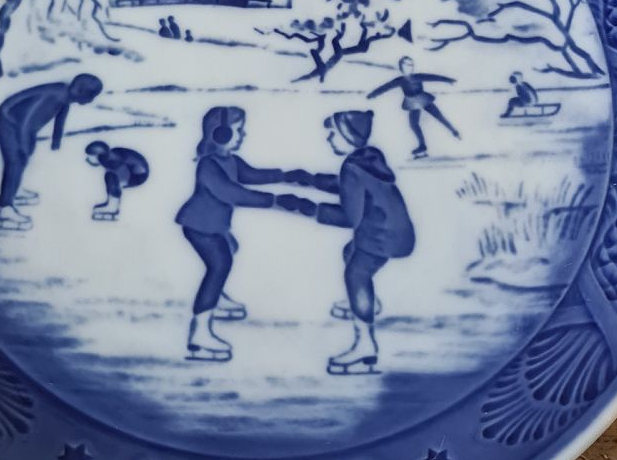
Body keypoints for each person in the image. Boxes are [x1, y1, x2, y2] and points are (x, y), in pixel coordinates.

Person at [175, 106, 313, 363]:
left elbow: (252, 175)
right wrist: (274, 201)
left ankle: (216, 297)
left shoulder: (230, 160)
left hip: (214, 225)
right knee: (220, 265)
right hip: (199, 225)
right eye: (239, 130)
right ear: (221, 133)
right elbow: (233, 193)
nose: (244, 134)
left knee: (229, 250)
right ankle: (199, 333)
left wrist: (286, 176)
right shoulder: (208, 165)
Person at [287, 109, 415, 375]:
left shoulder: (352, 168)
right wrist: (310, 180)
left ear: (348, 136)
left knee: (356, 273)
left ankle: (365, 345)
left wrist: (308, 208)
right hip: (396, 231)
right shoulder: (368, 159)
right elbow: (348, 188)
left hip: (380, 236)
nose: (329, 139)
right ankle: (365, 301)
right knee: (351, 252)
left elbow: (349, 217)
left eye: (333, 133)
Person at [0, 73, 103, 231]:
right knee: (15, 161)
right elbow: (26, 120)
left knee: (22, 158)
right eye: (91, 96)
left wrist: (56, 140)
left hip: (22, 124)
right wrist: (24, 144)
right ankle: (5, 209)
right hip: (9, 120)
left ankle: (14, 190)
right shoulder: (56, 96)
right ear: (80, 91)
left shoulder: (66, 95)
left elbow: (61, 115)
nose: (91, 100)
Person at [370, 55, 460, 158]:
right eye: (407, 65)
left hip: (423, 99)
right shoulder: (400, 80)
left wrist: (448, 80)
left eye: (411, 64)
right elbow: (386, 87)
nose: (410, 67)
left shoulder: (417, 76)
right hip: (413, 102)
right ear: (401, 66)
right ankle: (422, 145)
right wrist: (374, 94)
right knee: (414, 124)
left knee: (438, 117)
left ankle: (454, 132)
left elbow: (433, 77)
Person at [85, 140, 150, 221]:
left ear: (96, 155)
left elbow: (122, 171)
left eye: (89, 156)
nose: (87, 159)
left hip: (138, 174)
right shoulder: (108, 156)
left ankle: (112, 207)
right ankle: (112, 203)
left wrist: (117, 186)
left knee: (110, 176)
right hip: (136, 171)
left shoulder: (110, 160)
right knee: (111, 176)